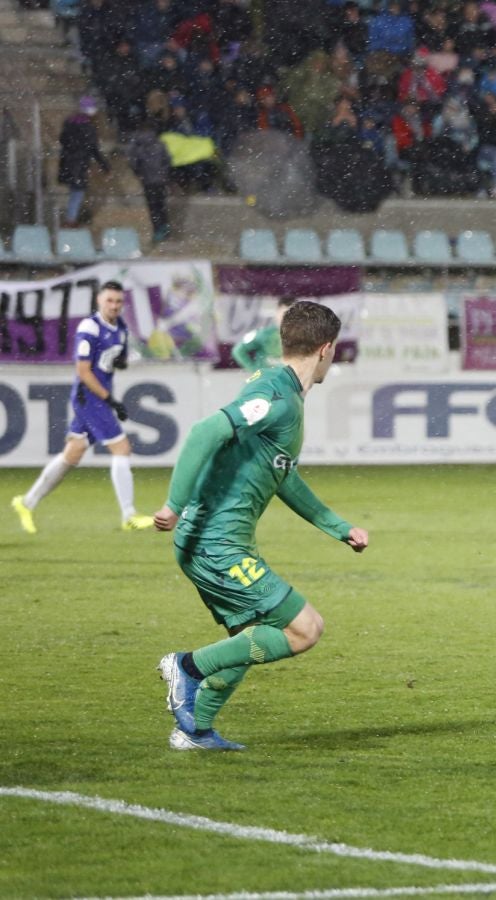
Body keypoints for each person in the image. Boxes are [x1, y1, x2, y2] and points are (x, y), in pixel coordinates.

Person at [154, 301, 369, 751]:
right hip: (216, 544)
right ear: (326, 349)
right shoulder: (276, 396)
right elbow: (205, 432)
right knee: (304, 628)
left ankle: (195, 731)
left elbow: (281, 474)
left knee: (253, 637)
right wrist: (174, 504)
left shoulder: (278, 389)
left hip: (211, 541)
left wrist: (336, 525)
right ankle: (186, 667)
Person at [11, 282, 155, 534]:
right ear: (99, 300)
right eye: (109, 300)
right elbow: (83, 371)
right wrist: (110, 400)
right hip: (88, 398)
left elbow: (112, 358)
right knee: (122, 448)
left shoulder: (120, 327)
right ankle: (129, 515)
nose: (114, 306)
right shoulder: (90, 327)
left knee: (73, 453)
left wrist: (119, 362)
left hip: (97, 397)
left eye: (119, 302)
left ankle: (26, 502)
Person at [58, 96, 110, 227]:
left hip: (68, 163)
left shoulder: (69, 123)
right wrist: (105, 166)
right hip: (78, 164)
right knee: (78, 192)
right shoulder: (88, 127)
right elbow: (93, 149)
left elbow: (63, 141)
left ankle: (71, 218)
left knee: (75, 192)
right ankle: (71, 220)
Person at [124, 115, 173, 243]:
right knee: (161, 204)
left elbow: (133, 162)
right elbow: (168, 160)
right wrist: (164, 173)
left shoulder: (138, 146)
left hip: (148, 180)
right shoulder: (160, 144)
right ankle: (165, 227)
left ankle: (158, 230)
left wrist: (139, 173)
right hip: (161, 179)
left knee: (153, 207)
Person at [231, 297, 296, 371]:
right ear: (277, 312)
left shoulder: (301, 337)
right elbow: (238, 350)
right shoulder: (262, 334)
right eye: (283, 313)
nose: (287, 318)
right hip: (266, 378)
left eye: (291, 314)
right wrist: (253, 369)